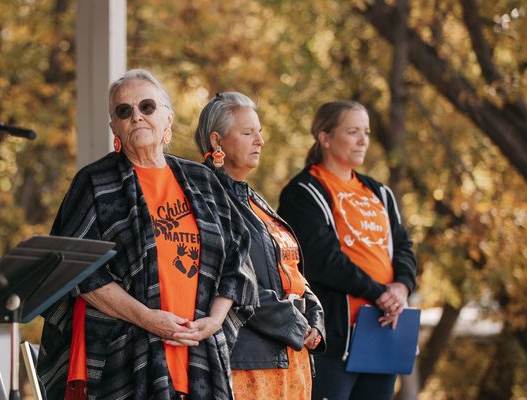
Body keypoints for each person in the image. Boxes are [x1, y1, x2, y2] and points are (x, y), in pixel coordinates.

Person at [37, 69, 258, 400]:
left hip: (198, 352)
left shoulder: (202, 180)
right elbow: (78, 271)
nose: (136, 116)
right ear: (114, 126)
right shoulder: (96, 183)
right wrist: (148, 319)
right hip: (124, 355)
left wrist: (214, 320)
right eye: (124, 111)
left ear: (168, 116)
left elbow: (236, 256)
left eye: (147, 106)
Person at [277, 101, 417, 399]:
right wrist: (379, 293)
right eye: (353, 131)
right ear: (325, 138)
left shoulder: (380, 192)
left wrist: (401, 288)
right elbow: (322, 260)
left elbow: (403, 246)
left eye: (365, 132)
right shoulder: (303, 192)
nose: (363, 140)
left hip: (382, 330)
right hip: (333, 338)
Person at [194, 92, 326, 400]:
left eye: (260, 132)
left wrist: (315, 318)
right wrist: (296, 324)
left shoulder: (253, 198)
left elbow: (290, 270)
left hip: (291, 358)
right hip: (250, 364)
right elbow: (229, 281)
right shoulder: (207, 200)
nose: (260, 141)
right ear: (217, 141)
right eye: (247, 132)